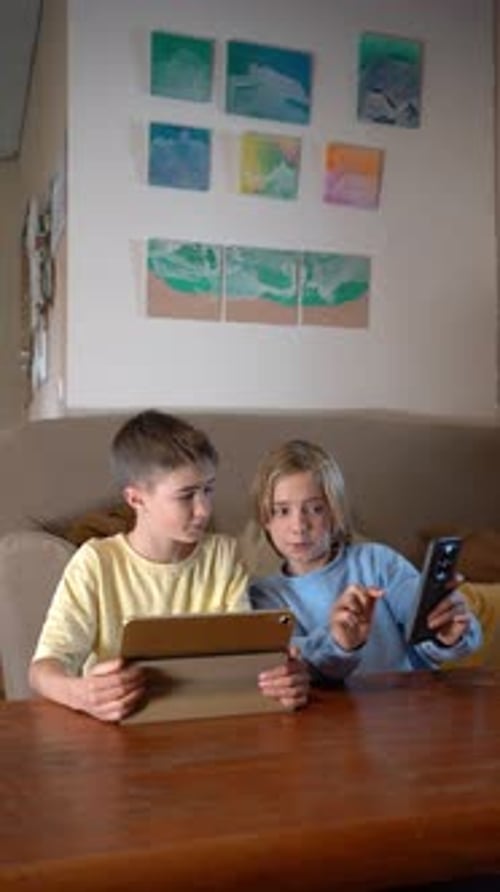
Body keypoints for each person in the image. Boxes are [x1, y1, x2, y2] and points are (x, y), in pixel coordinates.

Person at [29, 411, 309, 721]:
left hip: (210, 722)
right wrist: (81, 694)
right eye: (186, 496)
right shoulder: (96, 563)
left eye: (208, 490)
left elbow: (240, 660)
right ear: (136, 499)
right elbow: (44, 668)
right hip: (122, 728)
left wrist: (283, 678)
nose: (203, 509)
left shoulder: (223, 555)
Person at [249, 439, 482, 682]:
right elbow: (298, 669)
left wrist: (446, 633)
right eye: (283, 511)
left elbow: (427, 631)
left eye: (315, 509)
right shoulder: (263, 596)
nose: (299, 526)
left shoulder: (378, 562)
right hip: (325, 716)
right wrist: (341, 643)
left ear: (335, 513)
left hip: (406, 706)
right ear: (265, 519)